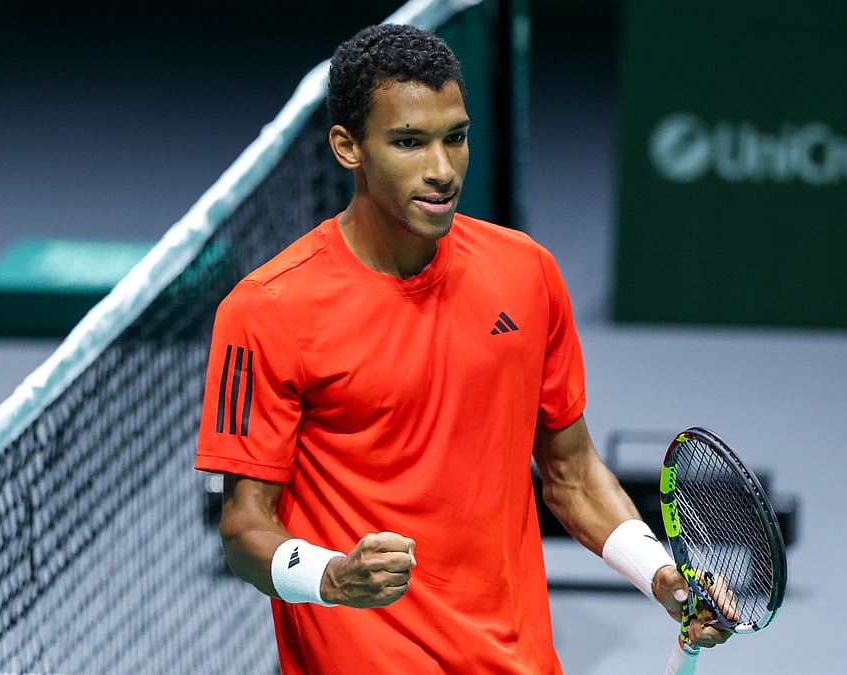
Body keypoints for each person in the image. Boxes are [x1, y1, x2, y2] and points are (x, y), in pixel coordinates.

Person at [195, 23, 731, 673]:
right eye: (409, 143)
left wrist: (663, 576)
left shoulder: (526, 272)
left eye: (456, 137)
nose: (443, 169)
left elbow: (572, 474)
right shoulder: (266, 310)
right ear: (347, 147)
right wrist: (333, 576)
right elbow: (244, 529)